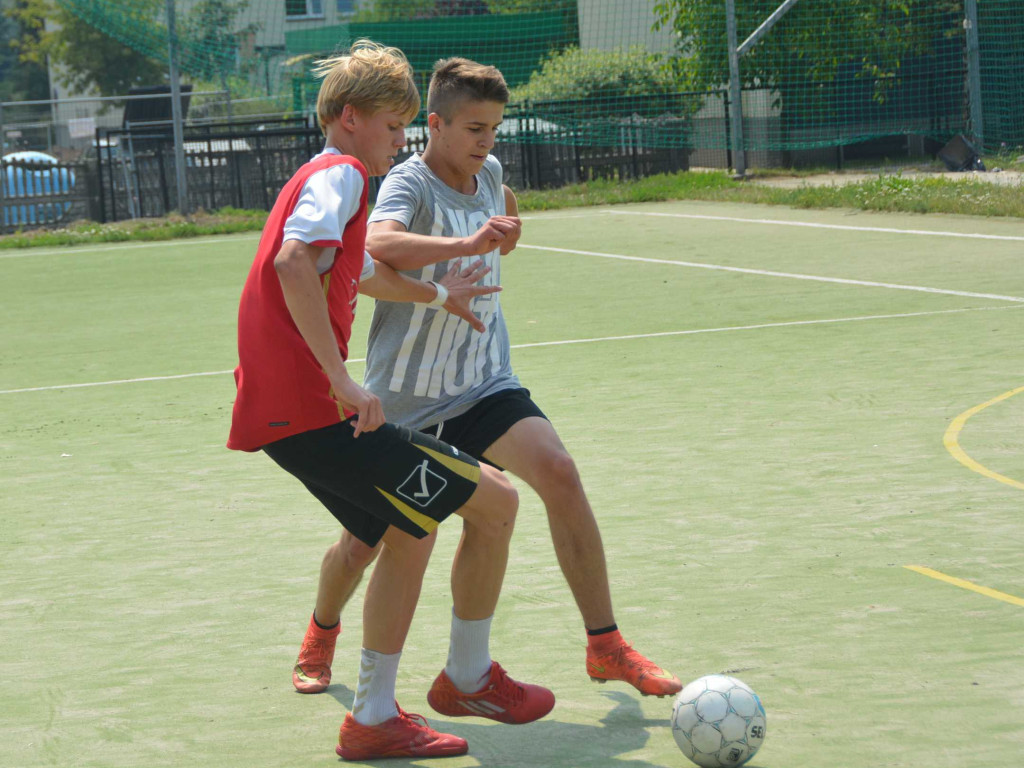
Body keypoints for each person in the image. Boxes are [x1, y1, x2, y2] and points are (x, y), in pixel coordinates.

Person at [291, 56, 682, 707]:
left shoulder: (490, 172)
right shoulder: (407, 184)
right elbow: (380, 245)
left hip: (482, 385)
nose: (486, 142)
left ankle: (604, 644)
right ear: (434, 125)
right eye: (474, 127)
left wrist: (506, 230)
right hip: (408, 406)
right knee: (362, 545)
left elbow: (503, 220)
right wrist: (469, 245)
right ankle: (321, 631)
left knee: (558, 472)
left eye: (495, 128)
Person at [228, 41, 553, 761]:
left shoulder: (321, 176)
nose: (400, 139)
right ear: (350, 119)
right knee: (492, 503)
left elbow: (361, 272)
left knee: (409, 525)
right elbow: (291, 263)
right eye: (392, 124)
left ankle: (381, 704)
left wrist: (440, 293)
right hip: (318, 413)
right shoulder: (343, 174)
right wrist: (343, 380)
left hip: (294, 415)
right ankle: (448, 685)